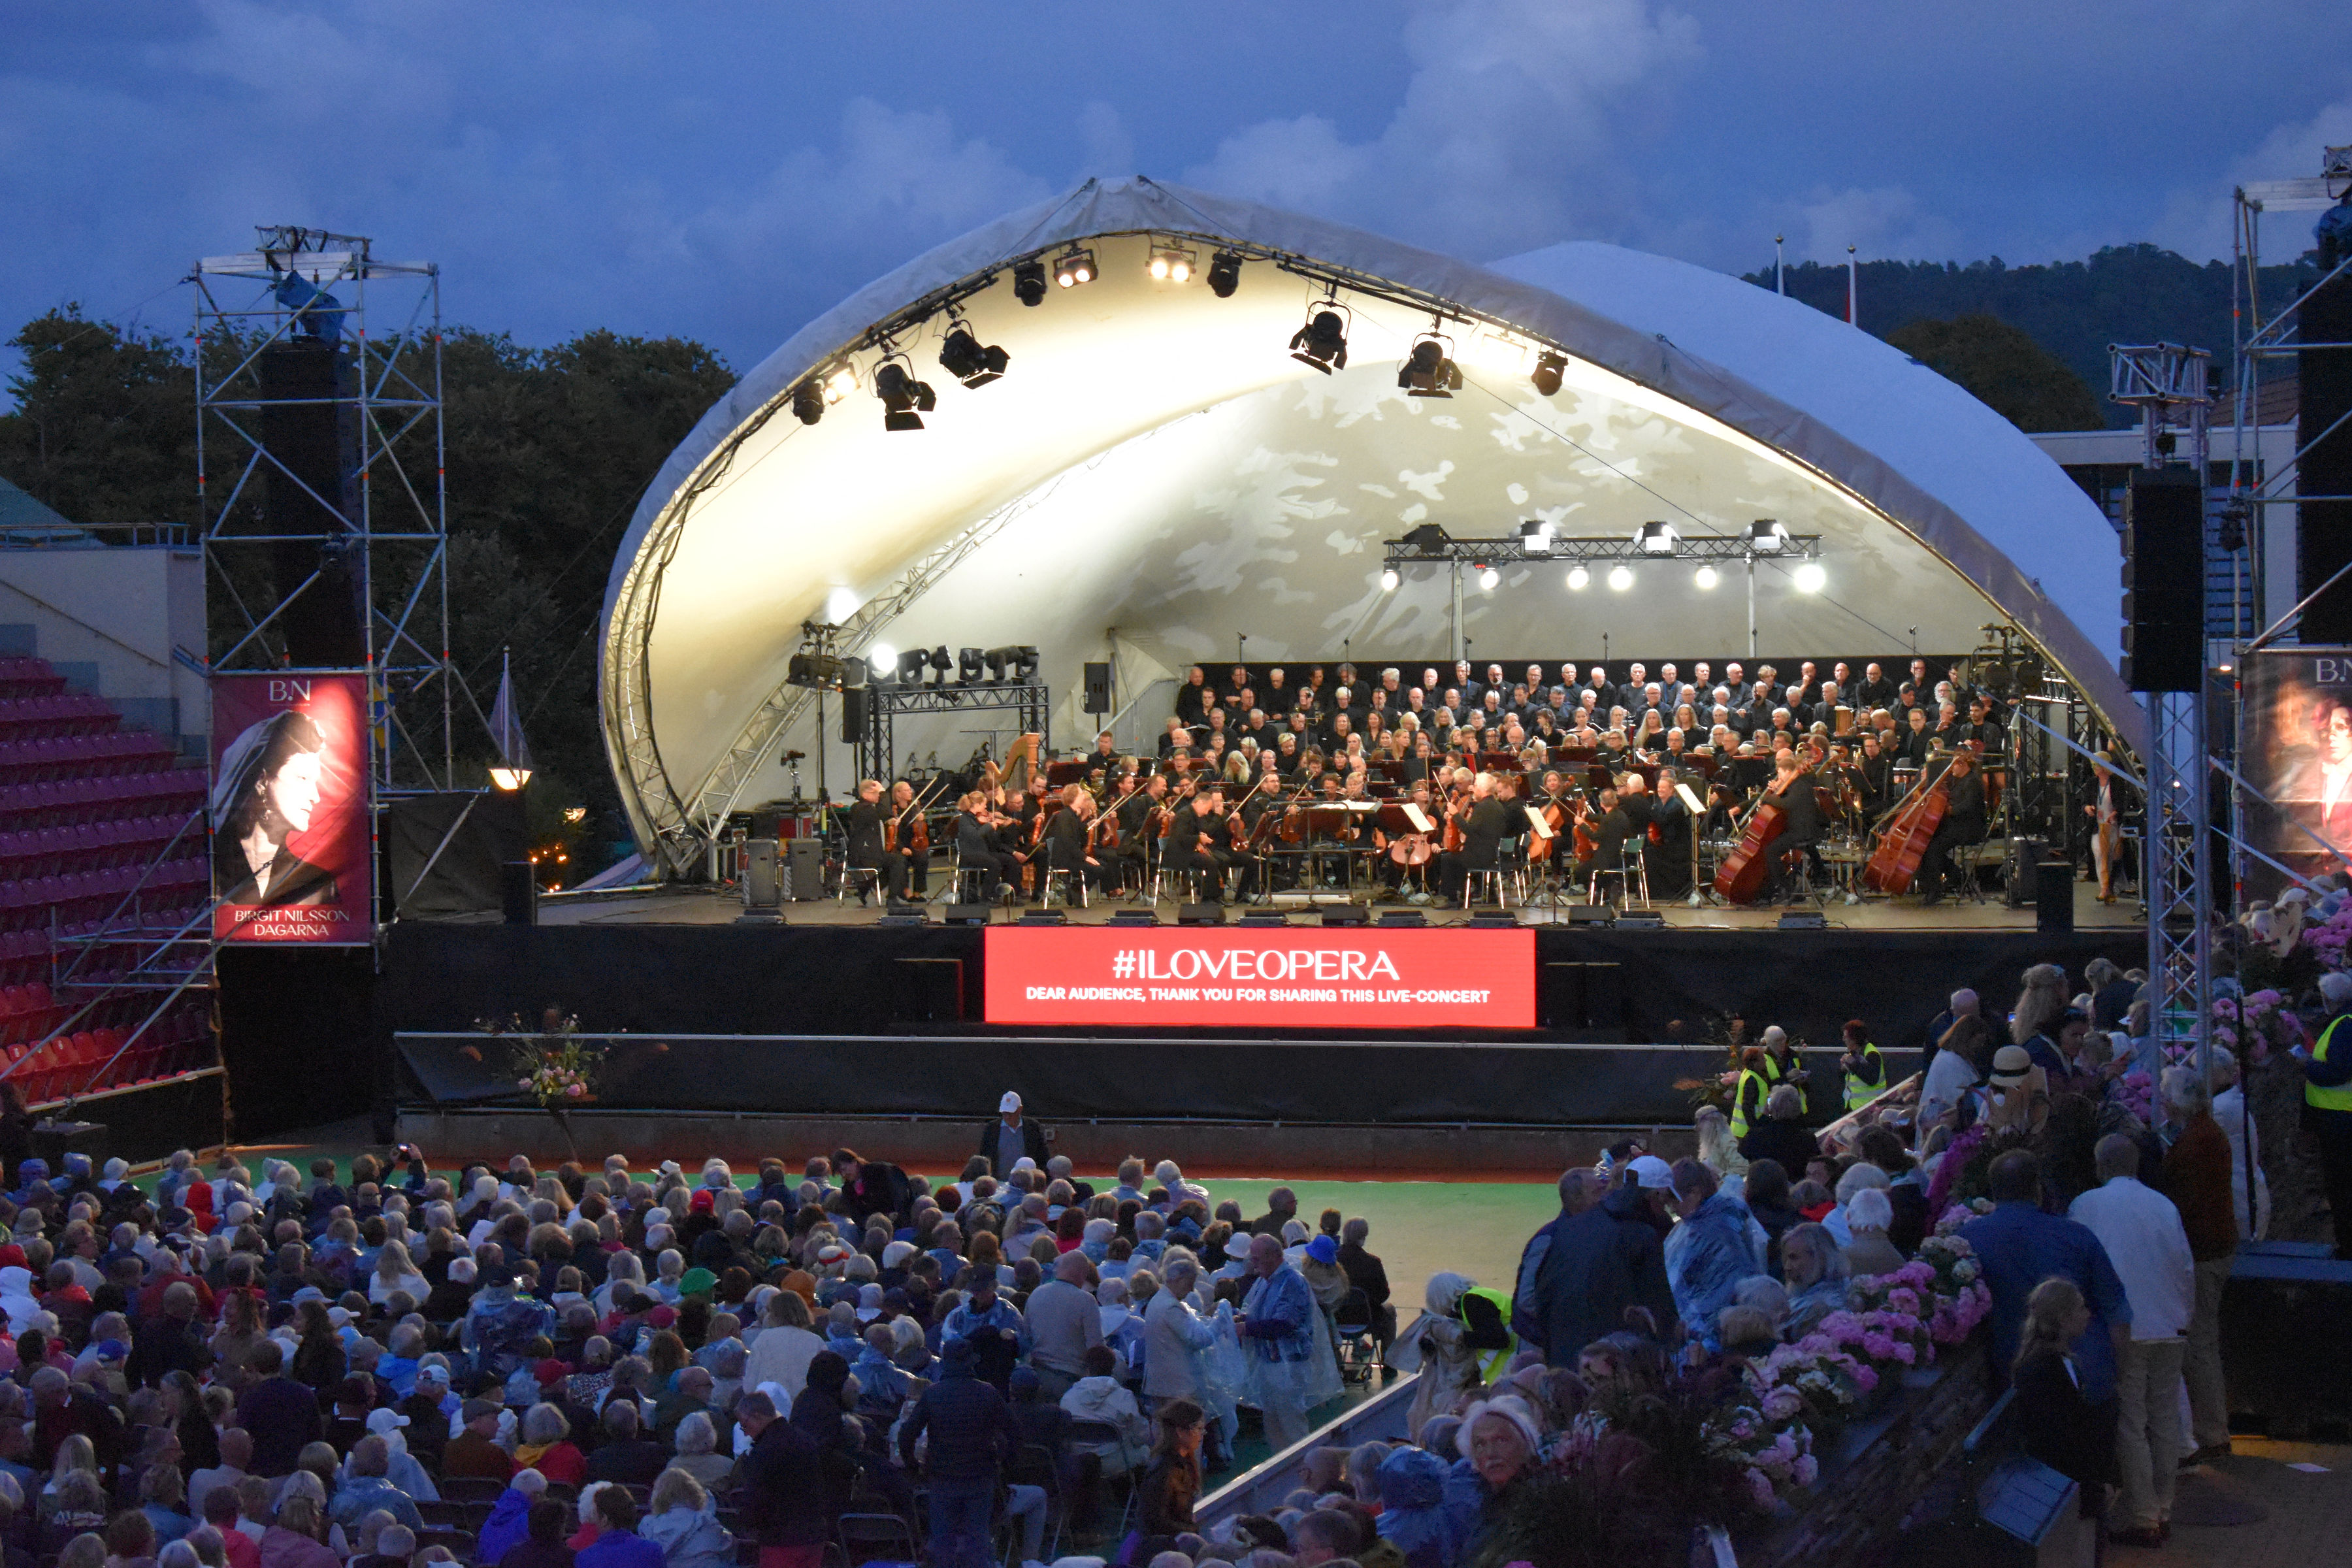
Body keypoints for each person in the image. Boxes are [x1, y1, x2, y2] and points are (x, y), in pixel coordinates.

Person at [1513, 1165, 1672, 1369]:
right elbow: (1528, 1300)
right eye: (1598, 1192)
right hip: (1540, 1342)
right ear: (1576, 1200)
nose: (1605, 1197)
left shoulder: (1599, 1231)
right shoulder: (1549, 1239)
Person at [2158, 1066, 2238, 1465]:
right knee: (2204, 1339)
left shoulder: (2195, 1144)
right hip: (2216, 1247)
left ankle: (2212, 1433)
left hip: (2205, 1253)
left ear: (2174, 1102)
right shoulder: (2207, 1134)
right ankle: (2213, 1429)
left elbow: (2185, 1202)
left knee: (2201, 1341)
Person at [896, 1339, 1020, 1568]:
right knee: (978, 1538)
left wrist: (913, 1464)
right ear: (971, 1362)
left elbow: (907, 1434)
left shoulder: (933, 1394)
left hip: (942, 1476)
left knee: (942, 1539)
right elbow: (1014, 1431)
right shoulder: (988, 1393)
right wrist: (1004, 1462)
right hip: (980, 1475)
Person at [2010, 1277, 2116, 1522]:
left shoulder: (2058, 1362)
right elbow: (2058, 1438)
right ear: (2063, 1319)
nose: (2088, 1314)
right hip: (2062, 1490)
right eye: (2081, 1308)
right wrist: (2094, 1486)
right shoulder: (2042, 1371)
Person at [210, 710, 338, 908]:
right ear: (262, 781)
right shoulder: (213, 862)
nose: (315, 797)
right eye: (302, 779)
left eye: (315, 783)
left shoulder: (318, 882)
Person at [1662, 1160, 1761, 1348]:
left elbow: (1727, 1281)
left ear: (1696, 1193)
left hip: (1712, 1330)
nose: (1672, 1208)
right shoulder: (1701, 1222)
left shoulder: (1717, 1227)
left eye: (1675, 1200)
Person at [1236, 1233, 1317, 1450]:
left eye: (1257, 1259)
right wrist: (1242, 1319)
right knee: (1273, 1425)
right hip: (1271, 1363)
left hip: (1288, 1365)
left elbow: (1284, 1324)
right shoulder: (1268, 1281)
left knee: (1292, 1427)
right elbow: (1261, 1314)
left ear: (1273, 1256)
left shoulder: (1291, 1282)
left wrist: (1246, 1328)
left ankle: (1303, 1470)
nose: (1253, 1264)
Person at [730, 1390, 826, 1568]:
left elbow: (757, 1498)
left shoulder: (764, 1451)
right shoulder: (806, 1440)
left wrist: (746, 1523)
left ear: (757, 1417)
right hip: (813, 1535)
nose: (745, 1433)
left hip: (780, 1540)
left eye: (744, 1425)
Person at [2301, 970, 2352, 1260]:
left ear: (2328, 999)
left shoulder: (2345, 1026)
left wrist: (2306, 1065)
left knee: (2343, 1189)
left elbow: (2338, 1071)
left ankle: (2347, 1249)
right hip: (2339, 1120)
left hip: (2341, 1122)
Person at [1132, 1399, 1204, 1558]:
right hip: (1163, 1549)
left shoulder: (1182, 1463)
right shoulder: (1165, 1470)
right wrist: (1193, 1529)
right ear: (1180, 1431)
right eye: (1198, 1428)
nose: (1201, 1434)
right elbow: (1156, 1520)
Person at [1914, 749, 1985, 906]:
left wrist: (1949, 809)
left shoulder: (1973, 782)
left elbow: (1968, 806)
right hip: (1955, 825)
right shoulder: (1958, 781)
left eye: (1954, 765)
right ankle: (1955, 878)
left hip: (1969, 828)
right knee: (1927, 845)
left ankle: (1937, 889)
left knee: (1933, 849)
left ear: (1963, 765)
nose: (1951, 768)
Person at [979, 1092, 1049, 1177]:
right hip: (998, 1182)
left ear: (1020, 1109)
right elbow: (984, 1156)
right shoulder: (992, 1129)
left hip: (1026, 1184)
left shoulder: (1033, 1127)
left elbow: (1043, 1156)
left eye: (1010, 1113)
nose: (1007, 1117)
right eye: (1005, 1113)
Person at [1838, 1020, 1886, 1113]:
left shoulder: (1871, 1053)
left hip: (1870, 1108)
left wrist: (1852, 1063)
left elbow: (1872, 1079)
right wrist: (1844, 1069)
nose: (1844, 1040)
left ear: (1854, 1038)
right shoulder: (1855, 1053)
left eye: (1846, 1037)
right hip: (1855, 1107)